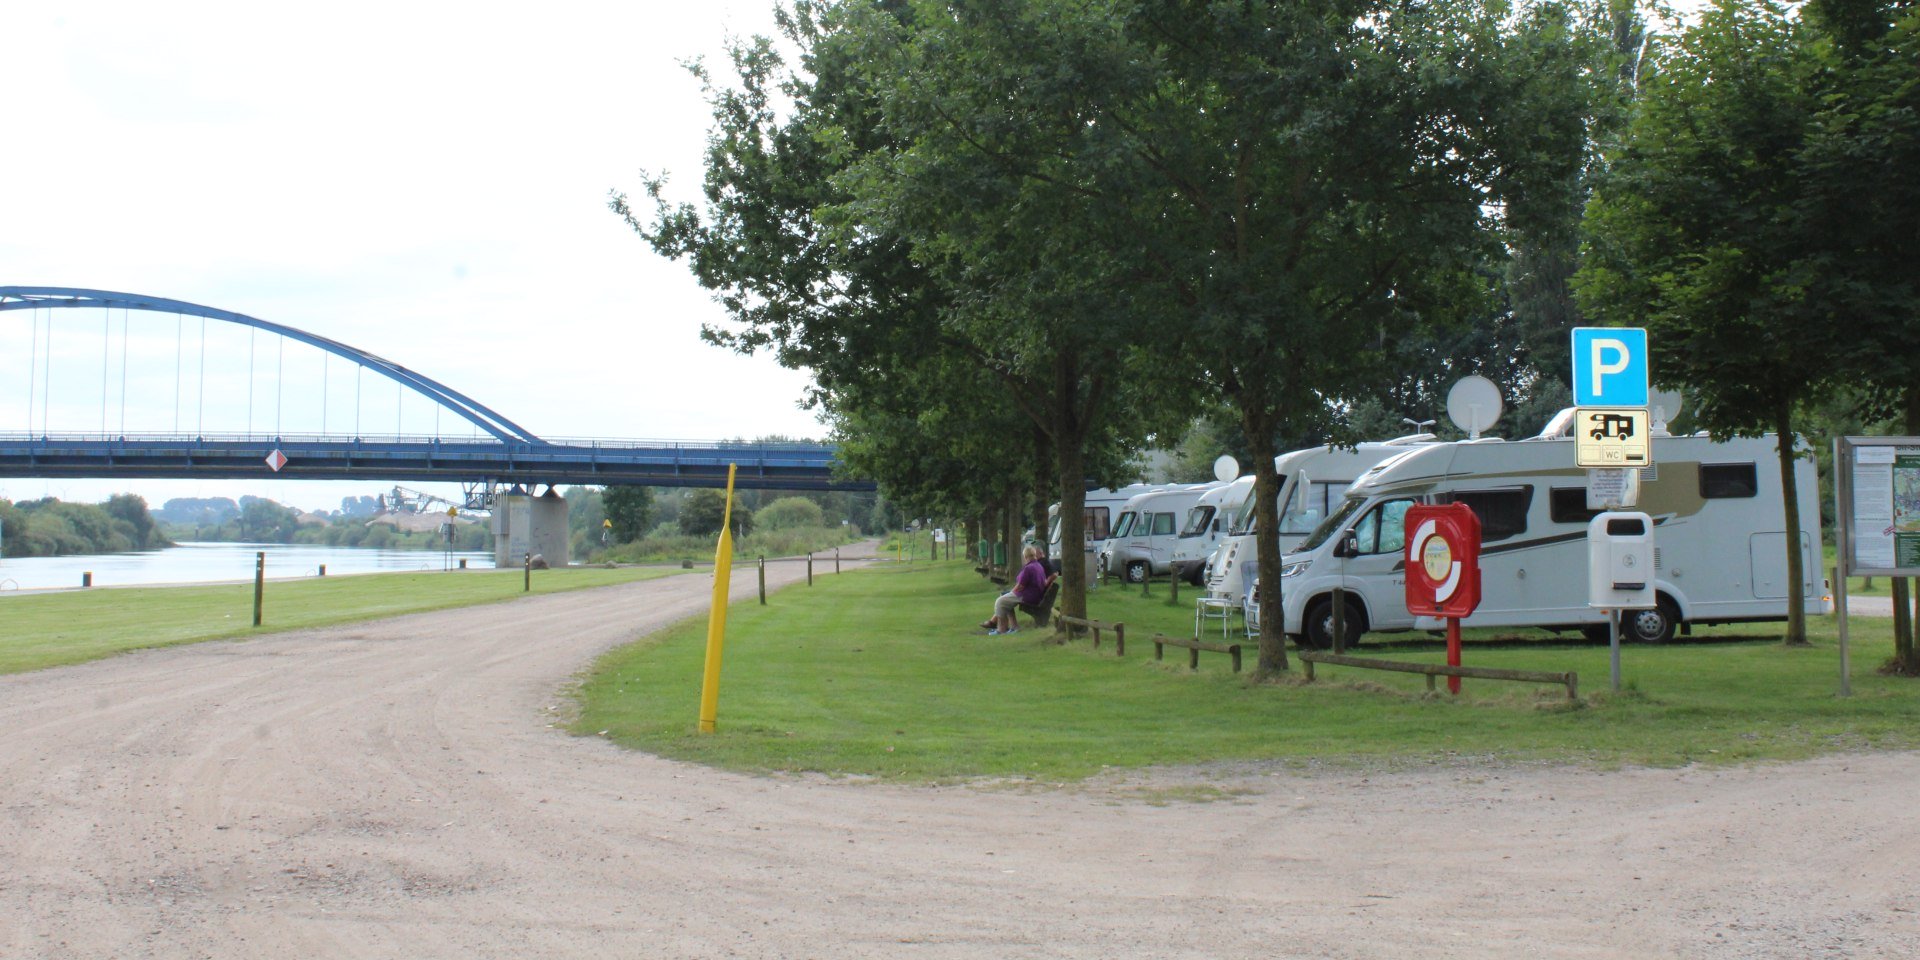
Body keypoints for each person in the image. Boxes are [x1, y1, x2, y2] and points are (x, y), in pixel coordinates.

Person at [983, 546, 1050, 635]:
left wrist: (1012, 592)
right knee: (1005, 599)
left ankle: (1001, 629)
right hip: (1035, 595)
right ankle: (1014, 627)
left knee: (1000, 601)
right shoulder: (1038, 565)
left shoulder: (1029, 568)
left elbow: (1020, 586)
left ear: (1025, 557)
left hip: (1028, 595)